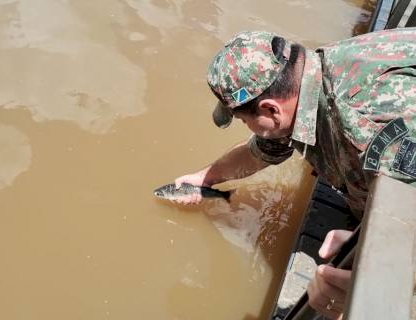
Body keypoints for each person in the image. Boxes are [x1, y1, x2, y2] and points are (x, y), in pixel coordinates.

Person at [173, 28, 416, 319]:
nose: (246, 127)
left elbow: (404, 216)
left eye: (242, 120)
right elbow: (258, 151)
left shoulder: (368, 122)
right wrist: (205, 178)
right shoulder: (306, 80)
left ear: (270, 110)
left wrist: (377, 274)